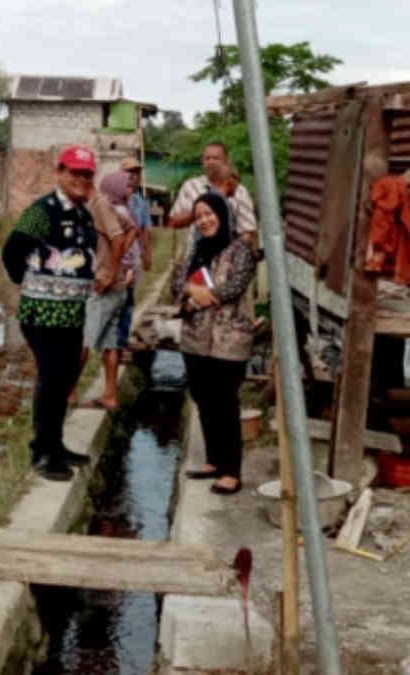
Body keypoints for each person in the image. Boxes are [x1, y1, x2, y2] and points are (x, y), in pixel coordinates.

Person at [1, 145, 100, 481]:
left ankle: (56, 445)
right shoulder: (43, 210)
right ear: (60, 172)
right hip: (43, 313)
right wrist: (29, 284)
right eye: (75, 172)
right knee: (51, 379)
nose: (81, 179)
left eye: (87, 174)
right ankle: (42, 453)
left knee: (64, 379)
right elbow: (12, 250)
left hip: (71, 314)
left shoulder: (84, 214)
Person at [172, 192, 257, 496]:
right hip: (195, 339)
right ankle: (213, 460)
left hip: (229, 340)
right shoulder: (196, 249)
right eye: (199, 217)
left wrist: (199, 296)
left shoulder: (241, 250)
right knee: (203, 398)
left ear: (222, 215)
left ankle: (232, 471)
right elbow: (176, 283)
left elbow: (234, 287)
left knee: (225, 402)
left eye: (209, 214)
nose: (204, 221)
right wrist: (193, 292)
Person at [74, 171, 138, 411]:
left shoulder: (99, 205)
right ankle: (110, 395)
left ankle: (68, 392)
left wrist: (110, 271)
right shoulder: (101, 205)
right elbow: (131, 229)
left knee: (83, 341)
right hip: (117, 284)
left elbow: (118, 237)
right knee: (110, 341)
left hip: (106, 285)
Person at [169, 142, 257, 246]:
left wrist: (235, 252)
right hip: (197, 255)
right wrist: (199, 213)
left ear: (226, 162)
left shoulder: (240, 191)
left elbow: (248, 230)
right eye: (207, 158)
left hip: (229, 256)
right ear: (202, 162)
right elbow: (173, 222)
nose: (211, 162)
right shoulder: (190, 186)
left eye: (216, 158)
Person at [118, 157, 153, 360]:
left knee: (129, 300)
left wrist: (147, 254)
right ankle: (115, 343)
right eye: (129, 172)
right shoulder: (112, 199)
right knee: (118, 300)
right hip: (118, 257)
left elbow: (144, 230)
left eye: (137, 172)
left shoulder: (140, 201)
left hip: (135, 256)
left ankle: (122, 340)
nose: (133, 176)